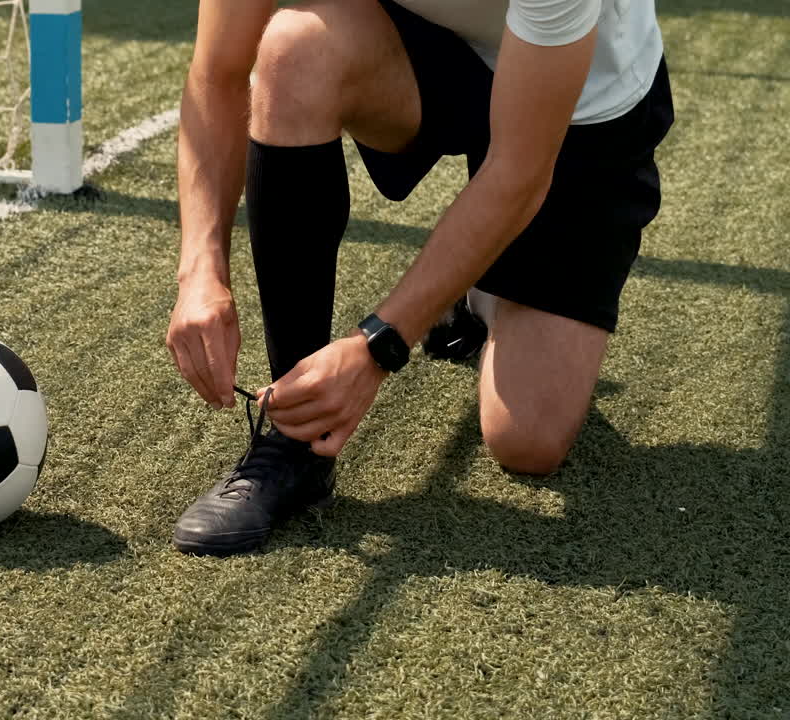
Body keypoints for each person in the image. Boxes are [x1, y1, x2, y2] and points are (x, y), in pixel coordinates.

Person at [166, 0, 675, 556]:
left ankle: (478, 294)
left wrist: (379, 345)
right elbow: (218, 72)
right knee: (294, 48)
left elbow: (521, 171)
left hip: (580, 104)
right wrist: (200, 269)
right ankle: (296, 440)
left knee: (527, 442)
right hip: (424, 50)